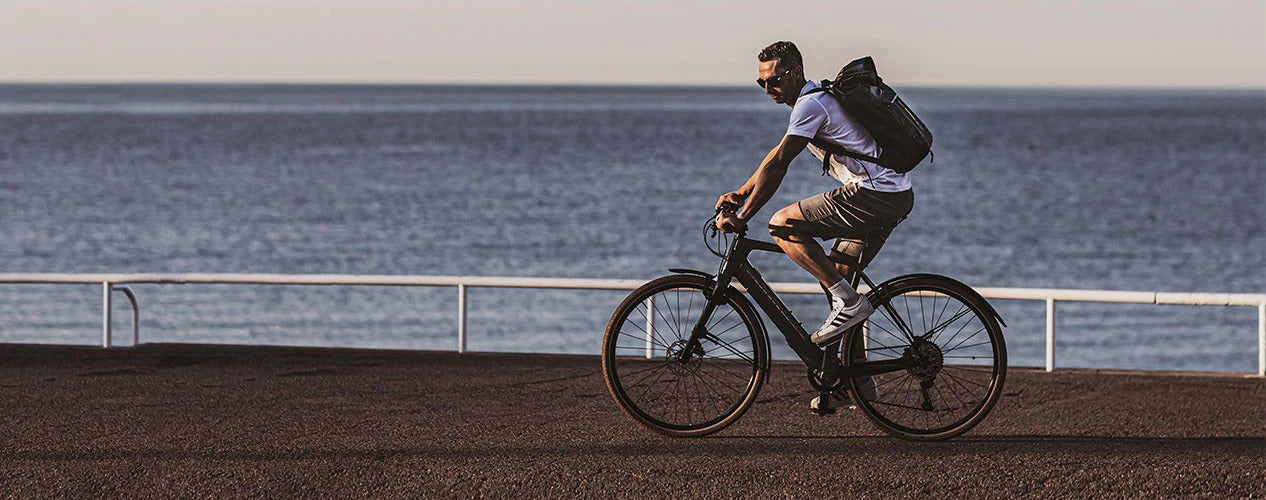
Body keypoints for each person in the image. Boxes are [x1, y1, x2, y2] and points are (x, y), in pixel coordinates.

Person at [715, 41, 914, 349]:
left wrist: (743, 217)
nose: (768, 88)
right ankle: (849, 388)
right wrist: (741, 192)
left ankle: (849, 303)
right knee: (837, 279)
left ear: (795, 73)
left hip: (874, 194)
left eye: (775, 80)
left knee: (782, 225)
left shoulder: (811, 104)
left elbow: (780, 165)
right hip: (894, 194)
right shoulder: (812, 102)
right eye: (762, 82)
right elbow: (776, 155)